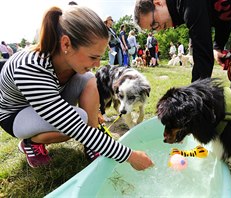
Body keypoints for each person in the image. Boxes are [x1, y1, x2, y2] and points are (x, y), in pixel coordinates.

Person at [0, 6, 153, 170]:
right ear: (66, 43)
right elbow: (74, 126)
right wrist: (131, 156)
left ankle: (93, 145)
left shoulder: (67, 57)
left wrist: (95, 116)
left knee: (88, 78)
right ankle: (31, 143)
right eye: (93, 57)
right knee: (80, 118)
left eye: (99, 58)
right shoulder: (30, 68)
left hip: (47, 101)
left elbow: (85, 89)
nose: (96, 65)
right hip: (16, 114)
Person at [134, 0, 231, 85]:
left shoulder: (186, 4)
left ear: (158, 2)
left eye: (154, 24)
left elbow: (202, 57)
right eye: (153, 29)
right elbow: (224, 16)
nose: (159, 29)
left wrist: (192, 97)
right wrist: (218, 47)